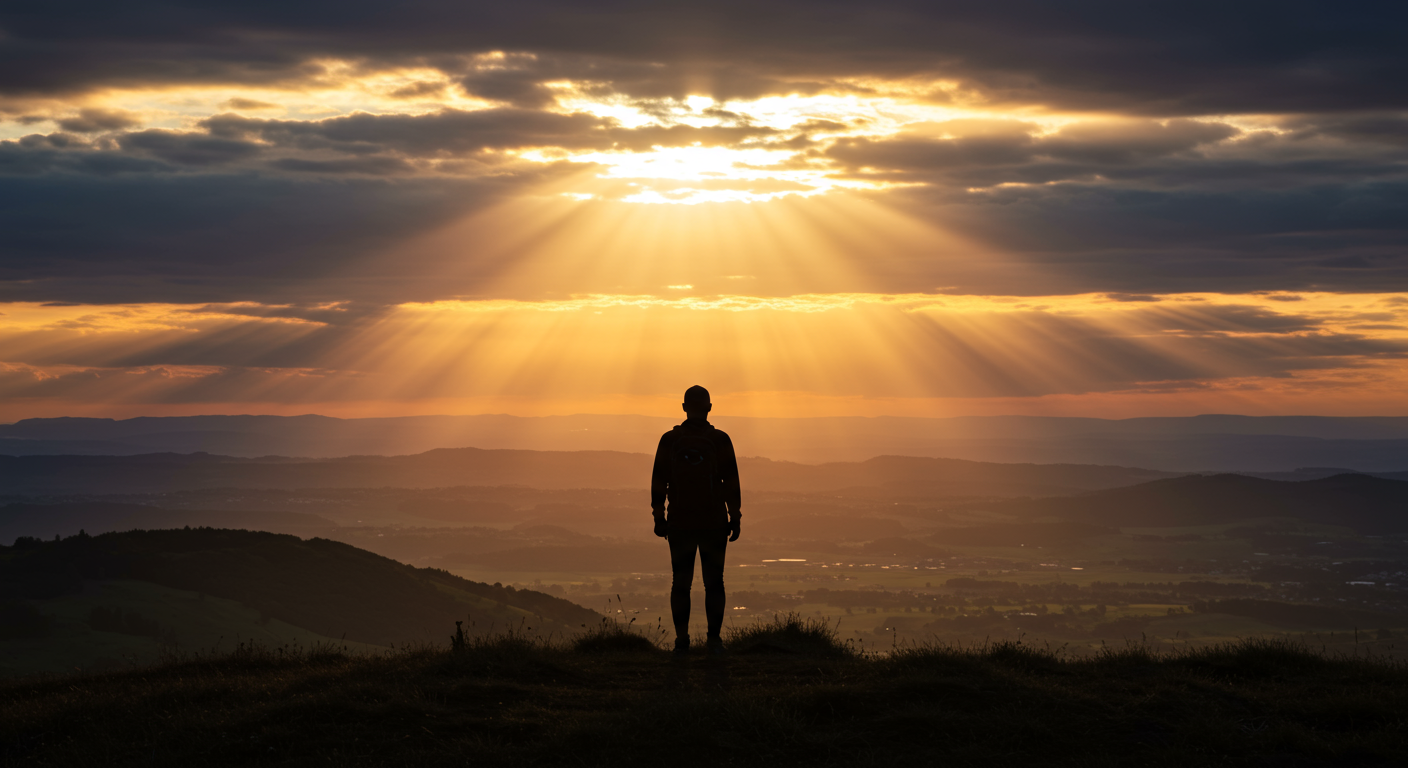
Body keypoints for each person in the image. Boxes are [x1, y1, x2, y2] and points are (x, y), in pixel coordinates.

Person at [651, 385, 741, 654]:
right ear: (710, 408)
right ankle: (714, 641)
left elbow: (658, 480)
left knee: (681, 583)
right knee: (715, 582)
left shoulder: (669, 440)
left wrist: (659, 516)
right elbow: (731, 482)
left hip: (680, 522)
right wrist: (734, 516)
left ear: (683, 408)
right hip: (713, 522)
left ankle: (682, 640)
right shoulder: (720, 440)